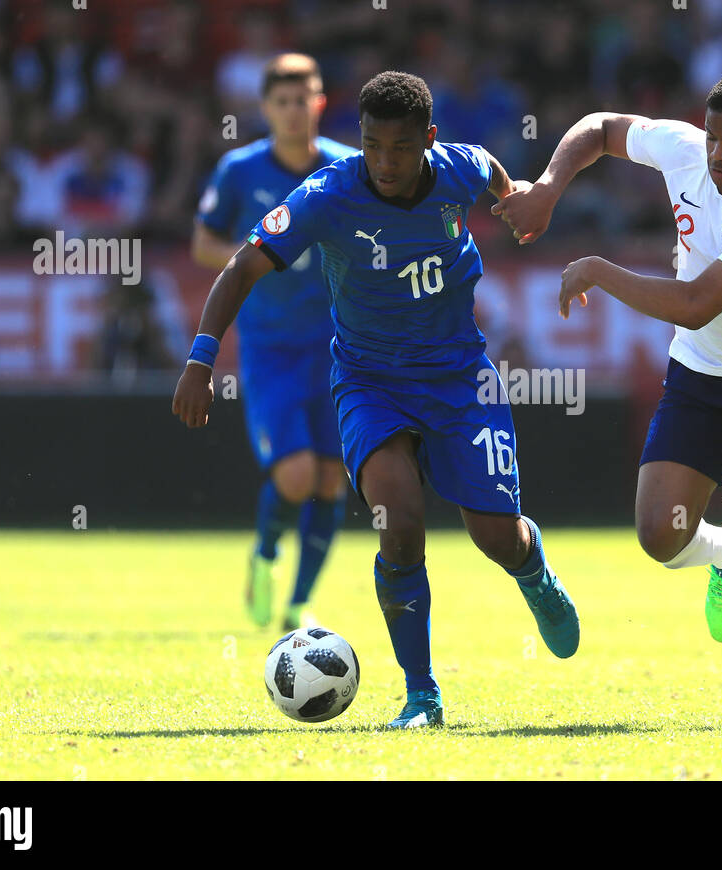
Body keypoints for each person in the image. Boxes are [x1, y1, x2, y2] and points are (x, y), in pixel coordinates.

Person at [173, 71, 579, 729]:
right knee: (399, 522)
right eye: (371, 146)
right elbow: (243, 265)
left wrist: (517, 196)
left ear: (429, 139)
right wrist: (200, 357)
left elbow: (494, 172)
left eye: (400, 147)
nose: (385, 162)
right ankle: (422, 696)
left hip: (460, 380)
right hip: (370, 381)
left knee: (495, 537)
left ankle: (532, 570)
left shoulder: (458, 169)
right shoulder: (326, 195)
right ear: (358, 139)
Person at [495, 70, 722, 727]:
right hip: (703, 374)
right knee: (659, 535)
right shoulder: (686, 148)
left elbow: (695, 303)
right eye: (712, 137)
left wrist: (597, 268)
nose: (716, 154)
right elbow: (599, 129)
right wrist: (547, 186)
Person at [192, 54, 356, 632]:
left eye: (303, 99)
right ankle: (264, 556)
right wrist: (256, 254)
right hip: (270, 347)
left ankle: (297, 603)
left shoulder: (345, 167)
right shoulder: (240, 170)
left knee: (332, 477)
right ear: (266, 109)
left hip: (337, 348)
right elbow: (203, 244)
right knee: (295, 476)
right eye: (282, 101)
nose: (293, 111)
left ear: (319, 104)